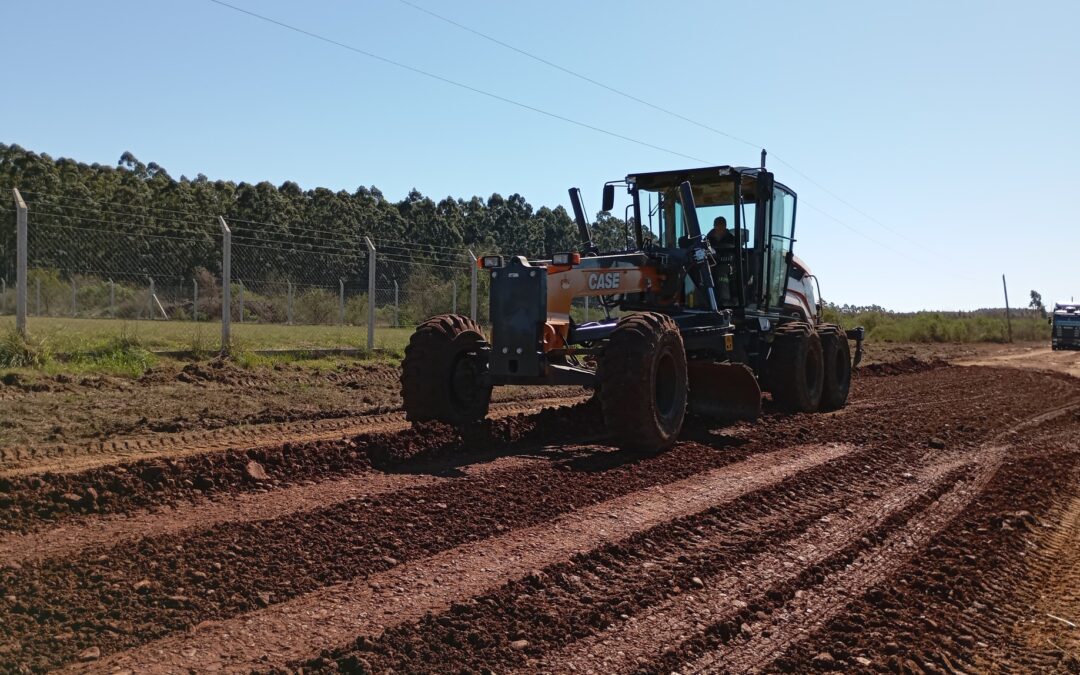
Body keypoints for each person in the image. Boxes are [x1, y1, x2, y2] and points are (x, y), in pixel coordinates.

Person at [708, 216, 736, 303]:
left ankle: (724, 299)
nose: (720, 228)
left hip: (727, 264)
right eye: (718, 226)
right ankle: (705, 299)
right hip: (710, 264)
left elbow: (735, 253)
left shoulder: (731, 238)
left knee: (721, 273)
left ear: (725, 226)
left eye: (722, 226)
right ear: (714, 226)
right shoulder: (708, 239)